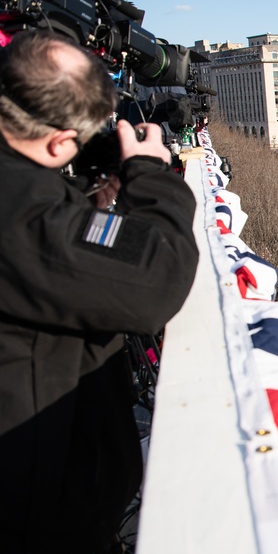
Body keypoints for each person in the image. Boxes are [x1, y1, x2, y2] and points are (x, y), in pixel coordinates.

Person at [0, 30, 199, 552]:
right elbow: (161, 274)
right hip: (37, 521)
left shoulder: (22, 194)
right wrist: (151, 177)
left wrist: (89, 205)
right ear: (60, 143)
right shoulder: (20, 213)